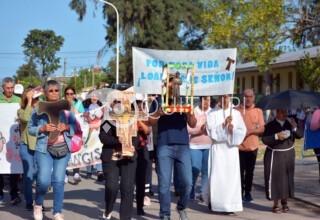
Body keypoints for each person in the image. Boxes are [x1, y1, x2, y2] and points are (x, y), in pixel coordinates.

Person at [149, 75, 197, 220]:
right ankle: (165, 214)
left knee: (188, 183)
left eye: (175, 83)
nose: (173, 86)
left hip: (183, 146)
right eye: (170, 83)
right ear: (166, 85)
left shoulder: (184, 100)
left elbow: (193, 124)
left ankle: (181, 207)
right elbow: (150, 122)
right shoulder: (159, 100)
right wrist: (158, 113)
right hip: (164, 146)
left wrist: (189, 114)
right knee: (164, 184)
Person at [28, 80, 77, 220]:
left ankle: (57, 212)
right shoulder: (38, 108)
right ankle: (38, 204)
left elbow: (75, 127)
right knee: (43, 181)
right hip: (44, 149)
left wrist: (67, 127)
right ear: (45, 93)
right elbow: (30, 129)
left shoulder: (66, 108)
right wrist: (41, 128)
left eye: (56, 90)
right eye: (51, 90)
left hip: (63, 149)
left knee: (58, 181)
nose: (54, 93)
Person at [203, 94, 246, 215]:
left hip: (231, 150)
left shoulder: (236, 114)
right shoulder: (212, 114)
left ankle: (230, 205)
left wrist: (233, 131)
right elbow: (210, 131)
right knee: (217, 176)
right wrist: (223, 124)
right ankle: (216, 203)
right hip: (218, 149)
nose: (224, 100)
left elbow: (242, 130)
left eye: (227, 97)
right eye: (222, 97)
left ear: (230, 98)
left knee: (230, 178)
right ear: (219, 99)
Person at [99, 99, 139, 220]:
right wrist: (118, 140)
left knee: (127, 188)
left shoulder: (131, 120)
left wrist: (133, 147)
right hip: (111, 157)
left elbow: (135, 138)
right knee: (112, 187)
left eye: (121, 103)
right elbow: (103, 137)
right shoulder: (108, 121)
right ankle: (108, 209)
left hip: (128, 157)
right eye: (116, 103)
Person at [262, 109, 303, 214]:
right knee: (276, 179)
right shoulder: (270, 125)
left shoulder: (291, 123)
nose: (285, 114)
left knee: (287, 179)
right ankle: (276, 204)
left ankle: (285, 202)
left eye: (286, 112)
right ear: (277, 113)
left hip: (288, 154)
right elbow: (265, 139)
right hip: (274, 154)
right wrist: (276, 136)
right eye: (282, 112)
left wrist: (294, 127)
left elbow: (300, 135)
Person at [236, 89, 265, 202]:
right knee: (239, 171)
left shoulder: (258, 111)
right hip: (239, 147)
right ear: (242, 97)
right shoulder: (236, 110)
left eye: (250, 96)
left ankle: (248, 192)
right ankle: (239, 193)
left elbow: (262, 128)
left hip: (252, 147)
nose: (248, 99)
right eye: (246, 96)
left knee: (249, 172)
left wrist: (251, 131)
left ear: (253, 97)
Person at [0, 77, 22, 205]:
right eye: (7, 88)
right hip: (1, 138)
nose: (10, 90)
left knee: (14, 168)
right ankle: (0, 195)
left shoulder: (18, 101)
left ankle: (14, 195)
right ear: (3, 88)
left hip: (14, 139)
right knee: (0, 169)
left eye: (12, 88)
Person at [18, 86, 39, 210]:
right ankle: (29, 202)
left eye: (37, 98)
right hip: (25, 146)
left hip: (39, 146)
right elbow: (25, 118)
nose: (37, 100)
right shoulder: (21, 111)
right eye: (34, 98)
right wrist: (29, 101)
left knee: (40, 175)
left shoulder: (42, 108)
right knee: (28, 175)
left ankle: (39, 201)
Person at [187, 96, 212, 202]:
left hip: (209, 145)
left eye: (208, 100)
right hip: (195, 146)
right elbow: (189, 129)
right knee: (194, 169)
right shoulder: (194, 111)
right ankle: (191, 191)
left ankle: (203, 192)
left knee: (206, 171)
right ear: (200, 100)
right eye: (204, 99)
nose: (206, 102)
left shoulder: (212, 112)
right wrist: (200, 130)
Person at [133, 100, 151, 215]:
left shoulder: (143, 116)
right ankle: (127, 204)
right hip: (130, 149)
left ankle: (140, 206)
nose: (140, 106)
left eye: (140, 104)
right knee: (129, 180)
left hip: (142, 149)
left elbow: (147, 131)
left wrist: (138, 119)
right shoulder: (126, 115)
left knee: (141, 180)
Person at [64, 86, 84, 184]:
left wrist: (72, 106)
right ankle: (66, 174)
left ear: (74, 95)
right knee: (65, 152)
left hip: (76, 132)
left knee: (76, 151)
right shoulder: (61, 104)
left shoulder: (78, 103)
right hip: (65, 132)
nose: (69, 96)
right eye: (67, 94)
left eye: (71, 94)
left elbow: (82, 116)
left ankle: (76, 172)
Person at [82, 92, 103, 181]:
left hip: (98, 131)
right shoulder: (86, 107)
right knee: (89, 150)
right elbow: (84, 118)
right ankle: (89, 171)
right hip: (89, 131)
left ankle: (100, 172)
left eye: (96, 96)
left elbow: (101, 117)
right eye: (92, 96)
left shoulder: (101, 108)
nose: (94, 97)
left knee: (98, 151)